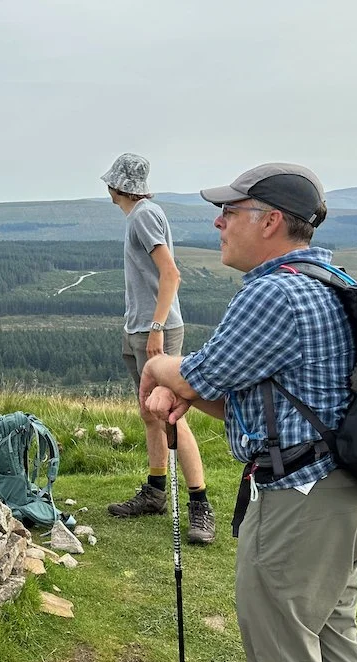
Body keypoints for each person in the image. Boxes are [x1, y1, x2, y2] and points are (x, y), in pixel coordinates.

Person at [139, 163, 357, 662]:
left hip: (298, 503)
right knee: (332, 636)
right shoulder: (331, 281)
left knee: (284, 658)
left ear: (270, 220)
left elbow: (198, 373)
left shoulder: (273, 293)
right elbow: (248, 396)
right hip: (347, 495)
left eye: (230, 212)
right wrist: (186, 390)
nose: (218, 223)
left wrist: (160, 372)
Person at [100, 153, 215, 544]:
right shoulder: (141, 215)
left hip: (154, 330)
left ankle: (200, 505)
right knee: (150, 413)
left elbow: (171, 272)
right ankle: (154, 492)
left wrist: (156, 327)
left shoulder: (144, 215)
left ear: (117, 185)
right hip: (139, 328)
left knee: (169, 414)